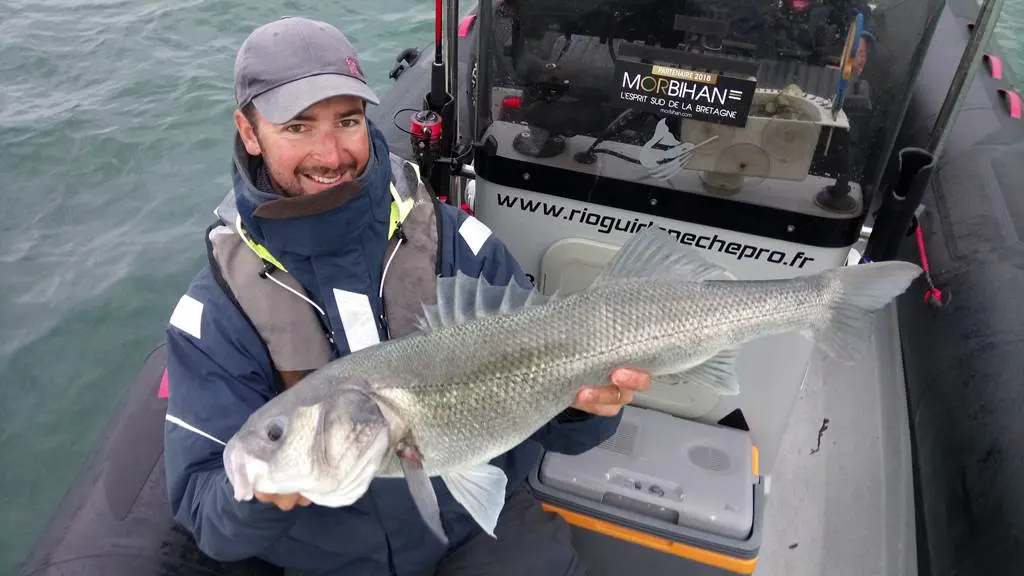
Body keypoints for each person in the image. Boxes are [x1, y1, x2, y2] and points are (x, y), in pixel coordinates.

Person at [162, 15, 651, 576]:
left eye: (347, 121)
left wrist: (583, 409)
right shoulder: (216, 314)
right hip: (329, 563)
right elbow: (204, 510)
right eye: (297, 127)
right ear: (249, 133)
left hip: (479, 530)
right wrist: (261, 497)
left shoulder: (459, 243)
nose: (330, 154)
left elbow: (565, 424)